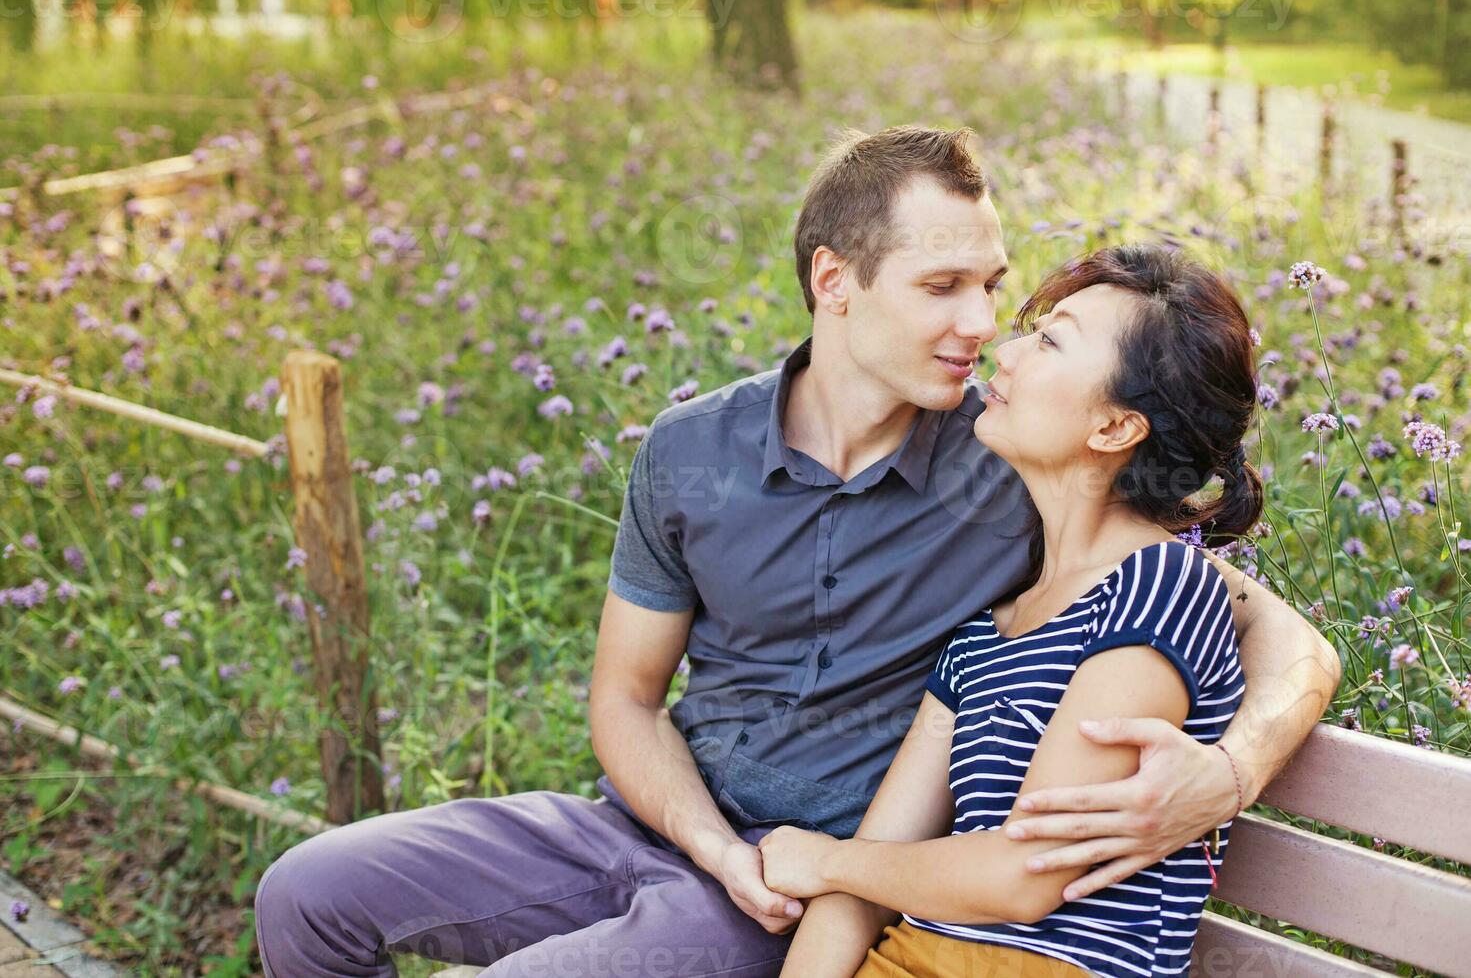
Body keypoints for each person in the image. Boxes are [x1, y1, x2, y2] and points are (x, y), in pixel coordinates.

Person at [253, 128, 1340, 978]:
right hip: (656, 831)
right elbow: (626, 699)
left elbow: (1272, 630)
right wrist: (713, 844)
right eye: (941, 286)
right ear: (835, 281)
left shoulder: (1018, 458)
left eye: (993, 287)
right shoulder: (690, 449)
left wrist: (1229, 771)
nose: (980, 324)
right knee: (303, 891)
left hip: (805, 892)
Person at [761, 244, 1273, 978]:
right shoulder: (982, 634)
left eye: (1049, 340)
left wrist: (827, 860)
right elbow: (865, 882)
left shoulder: (1158, 585)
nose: (1003, 352)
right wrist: (839, 876)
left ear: (1113, 429)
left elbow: (1027, 877)